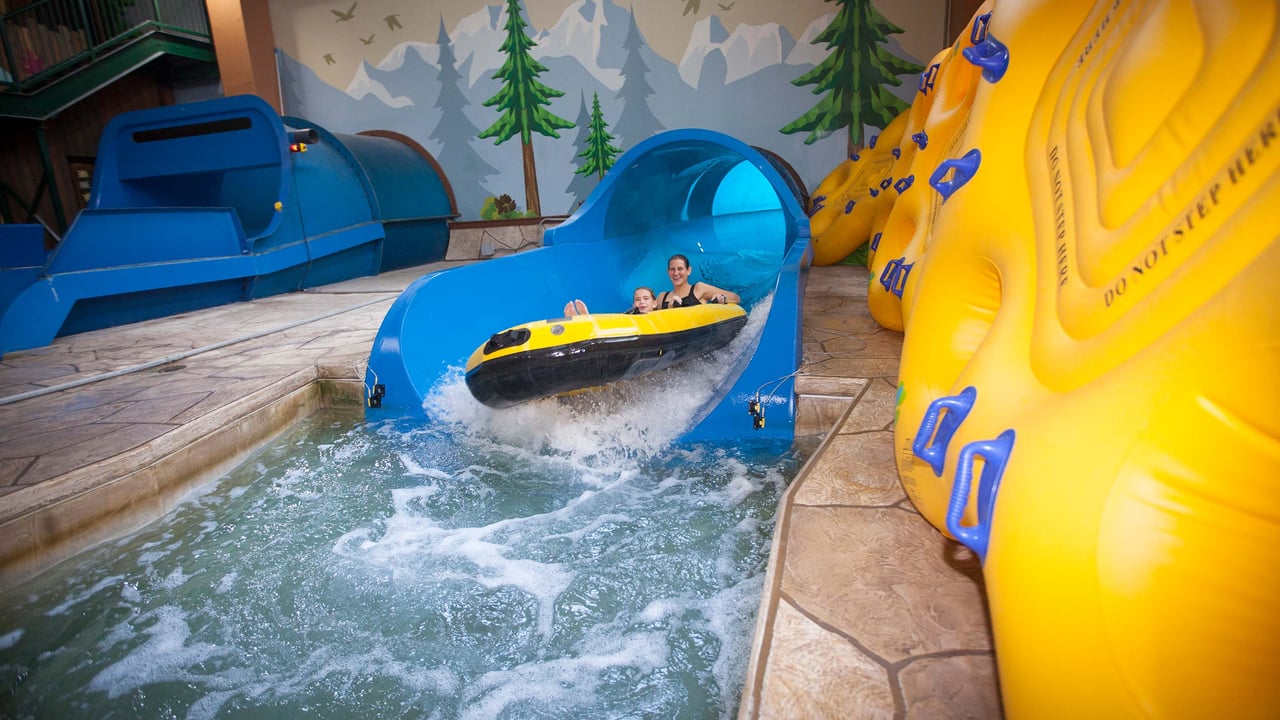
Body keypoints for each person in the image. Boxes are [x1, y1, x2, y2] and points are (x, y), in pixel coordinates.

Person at [658, 254, 740, 309]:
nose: (676, 273)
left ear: (688, 270)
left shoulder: (699, 289)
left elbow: (736, 298)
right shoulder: (662, 297)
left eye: (680, 269)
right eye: (672, 269)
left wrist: (722, 298)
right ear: (668, 272)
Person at [563, 286, 658, 317]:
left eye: (646, 298)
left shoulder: (660, 316)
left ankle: (586, 319)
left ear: (654, 303)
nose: (641, 302)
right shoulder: (629, 316)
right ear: (633, 304)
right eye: (637, 300)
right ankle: (586, 318)